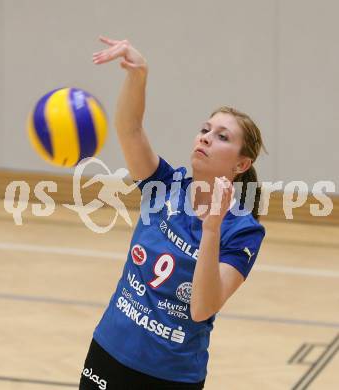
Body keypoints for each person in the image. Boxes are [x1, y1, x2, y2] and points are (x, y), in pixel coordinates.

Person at [79, 36, 267, 390]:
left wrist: (211, 229)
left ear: (242, 163)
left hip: (170, 376)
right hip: (109, 349)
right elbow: (129, 129)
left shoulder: (243, 231)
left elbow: (201, 308)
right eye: (205, 129)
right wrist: (138, 75)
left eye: (222, 136)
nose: (206, 138)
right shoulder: (164, 186)